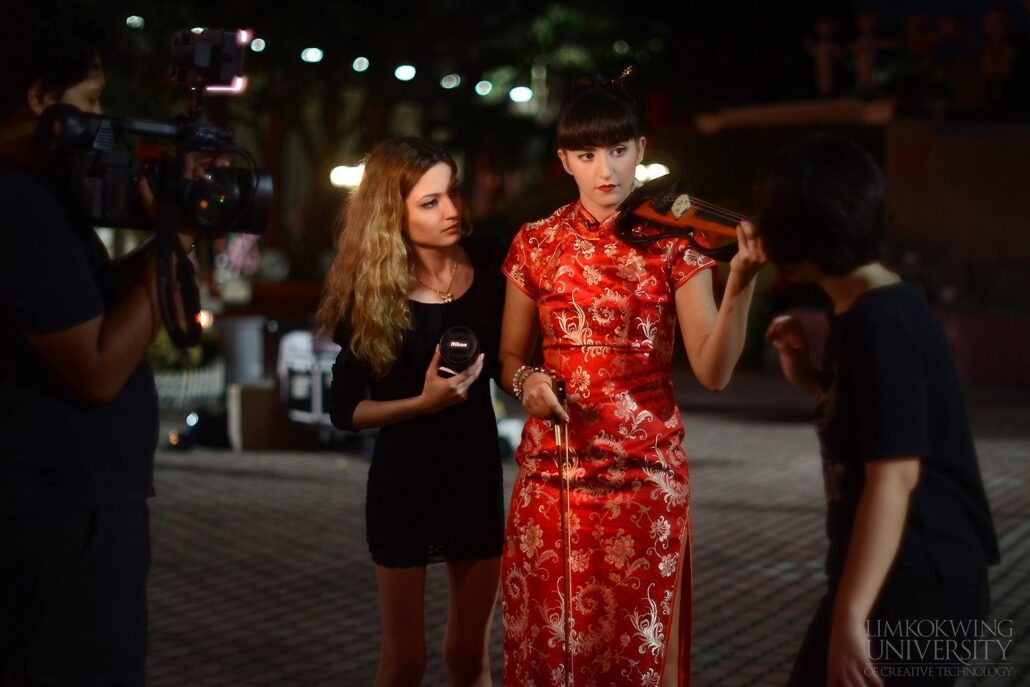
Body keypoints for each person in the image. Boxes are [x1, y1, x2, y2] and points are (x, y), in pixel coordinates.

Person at [497, 72, 766, 686]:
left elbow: (714, 372)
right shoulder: (535, 244)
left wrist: (742, 282)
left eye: (619, 150)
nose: (606, 170)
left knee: (639, 660)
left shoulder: (676, 246)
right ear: (564, 159)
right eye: (588, 154)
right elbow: (511, 356)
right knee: (550, 651)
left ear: (641, 149)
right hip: (553, 478)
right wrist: (529, 383)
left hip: (645, 480)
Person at [0, 2, 197, 685]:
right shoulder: (19, 207)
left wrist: (159, 243)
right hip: (58, 515)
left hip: (55, 504)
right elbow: (94, 368)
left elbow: (79, 307)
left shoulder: (35, 198)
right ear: (39, 97)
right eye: (89, 102)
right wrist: (178, 237)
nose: (98, 121)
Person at [757, 135, 1000, 686]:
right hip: (901, 579)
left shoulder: (879, 323)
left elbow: (895, 476)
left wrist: (850, 617)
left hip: (919, 585)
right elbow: (879, 421)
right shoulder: (867, 307)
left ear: (800, 235)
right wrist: (812, 380)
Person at [321, 137, 505, 687]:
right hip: (405, 486)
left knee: (469, 658)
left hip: (475, 478)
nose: (451, 211)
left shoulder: (493, 261)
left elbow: (519, 356)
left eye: (452, 193)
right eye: (429, 202)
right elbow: (343, 411)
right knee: (404, 664)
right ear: (390, 213)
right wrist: (423, 404)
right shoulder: (372, 293)